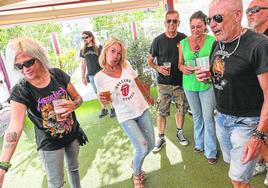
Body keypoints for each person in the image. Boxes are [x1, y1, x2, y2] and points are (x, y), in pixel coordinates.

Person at [196, 0, 268, 187]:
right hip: (221, 117)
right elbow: (220, 77)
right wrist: (207, 76)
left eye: (218, 18)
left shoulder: (258, 45)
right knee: (235, 170)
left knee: (237, 180)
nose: (211, 25)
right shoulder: (216, 45)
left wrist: (258, 136)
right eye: (210, 19)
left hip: (247, 122)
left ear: (237, 15)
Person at [0, 37, 83, 188]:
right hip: (50, 143)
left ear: (39, 57)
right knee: (56, 183)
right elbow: (14, 126)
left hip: (72, 135)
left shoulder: (57, 75)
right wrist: (2, 166)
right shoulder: (21, 90)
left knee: (74, 169)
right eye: (19, 66)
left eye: (29, 62)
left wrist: (74, 105)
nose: (25, 69)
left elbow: (78, 98)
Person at [94, 38, 155, 188]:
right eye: (113, 51)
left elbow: (138, 82)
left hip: (141, 108)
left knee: (151, 145)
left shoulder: (126, 66)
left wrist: (147, 97)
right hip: (125, 115)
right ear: (105, 52)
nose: (116, 56)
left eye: (119, 53)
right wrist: (101, 99)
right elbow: (105, 101)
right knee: (142, 146)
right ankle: (137, 175)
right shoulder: (99, 77)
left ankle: (135, 162)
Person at [178, 10, 217, 164]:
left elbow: (218, 63)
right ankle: (199, 144)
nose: (195, 30)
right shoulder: (183, 43)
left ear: (205, 25)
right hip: (189, 84)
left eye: (199, 27)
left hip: (206, 84)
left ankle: (211, 151)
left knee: (208, 118)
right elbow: (179, 64)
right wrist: (183, 68)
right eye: (192, 27)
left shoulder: (212, 41)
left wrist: (210, 70)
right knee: (197, 116)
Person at [147, 10, 188, 153]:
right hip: (163, 83)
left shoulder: (183, 39)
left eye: (174, 21)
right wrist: (158, 68)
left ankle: (179, 132)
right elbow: (150, 61)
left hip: (180, 82)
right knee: (161, 111)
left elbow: (188, 58)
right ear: (165, 23)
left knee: (181, 109)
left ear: (178, 23)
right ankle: (161, 137)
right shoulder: (158, 40)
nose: (171, 23)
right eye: (169, 21)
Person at [246, 0, 268, 185]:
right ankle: (262, 163)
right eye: (248, 10)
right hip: (254, 98)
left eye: (255, 9)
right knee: (258, 134)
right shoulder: (251, 37)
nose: (249, 13)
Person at [80, 31, 116, 118]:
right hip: (91, 75)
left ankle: (112, 109)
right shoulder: (82, 50)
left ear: (91, 37)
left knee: (105, 91)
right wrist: (83, 77)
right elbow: (83, 65)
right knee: (97, 92)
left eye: (86, 37)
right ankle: (104, 109)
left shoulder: (98, 48)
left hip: (101, 73)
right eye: (83, 38)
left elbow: (105, 60)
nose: (84, 39)